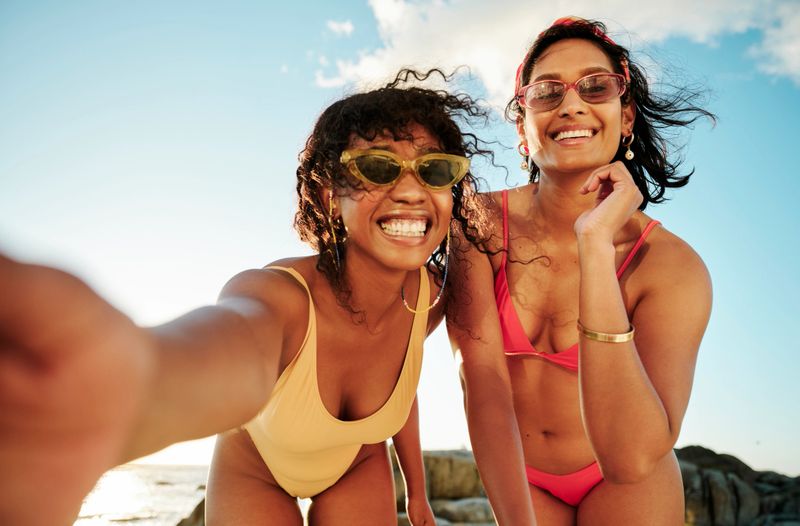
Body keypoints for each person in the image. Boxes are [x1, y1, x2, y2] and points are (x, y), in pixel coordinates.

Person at [0, 69, 491, 526]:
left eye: (434, 170)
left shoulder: (428, 299)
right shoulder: (280, 297)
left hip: (356, 466)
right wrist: (128, 385)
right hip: (256, 469)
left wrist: (417, 488)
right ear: (328, 199)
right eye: (378, 168)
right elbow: (235, 345)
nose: (410, 190)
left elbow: (401, 385)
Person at [447, 17, 714, 525]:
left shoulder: (671, 267)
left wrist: (595, 246)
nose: (571, 104)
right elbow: (479, 384)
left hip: (626, 480)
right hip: (518, 472)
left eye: (595, 87)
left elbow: (632, 458)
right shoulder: (478, 224)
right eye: (547, 93)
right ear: (523, 125)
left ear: (626, 116)